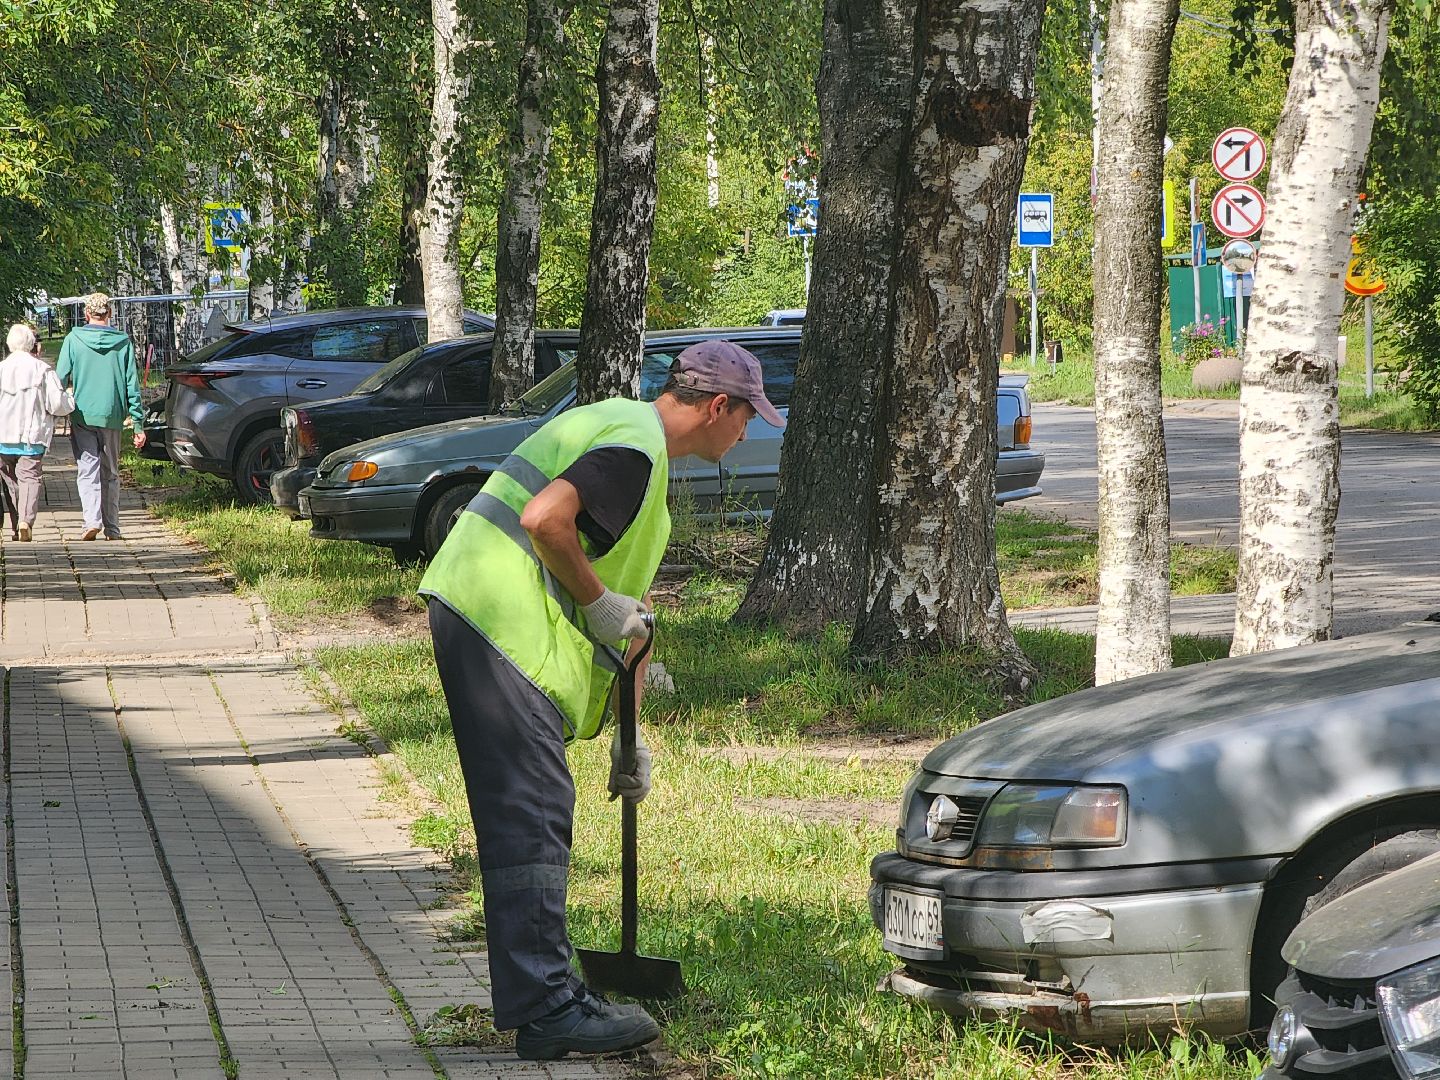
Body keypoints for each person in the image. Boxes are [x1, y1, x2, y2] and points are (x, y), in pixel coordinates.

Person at [418, 340, 785, 1061]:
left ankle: (549, 994)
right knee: (532, 812)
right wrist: (596, 602)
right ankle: (548, 1009)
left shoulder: (629, 438)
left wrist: (629, 738)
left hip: (484, 614)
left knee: (535, 807)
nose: (747, 433)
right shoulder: (635, 450)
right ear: (718, 406)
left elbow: (630, 622)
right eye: (748, 417)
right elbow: (545, 520)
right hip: (500, 622)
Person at [55, 292, 145, 541]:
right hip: (112, 416)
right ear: (110, 314)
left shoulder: (74, 339)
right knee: (111, 472)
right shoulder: (123, 342)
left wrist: (54, 409)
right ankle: (112, 528)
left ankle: (91, 521)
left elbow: (59, 378)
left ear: (87, 314)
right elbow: (132, 385)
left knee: (87, 469)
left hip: (83, 415)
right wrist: (138, 424)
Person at [0, 324, 75, 541]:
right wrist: (70, 400)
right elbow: (56, 404)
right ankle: (25, 520)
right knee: (29, 477)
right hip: (31, 437)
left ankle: (17, 525)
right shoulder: (42, 370)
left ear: (9, 344)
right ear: (32, 344)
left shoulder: (2, 369)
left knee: (11, 482)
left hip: (3, 436)